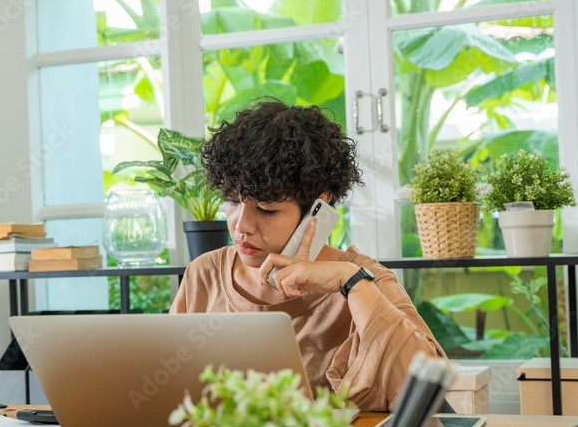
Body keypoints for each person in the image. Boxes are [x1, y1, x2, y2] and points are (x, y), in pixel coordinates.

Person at [170, 99, 446, 411]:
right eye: (232, 201)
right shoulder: (203, 275)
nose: (242, 226)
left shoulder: (366, 280)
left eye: (266, 209)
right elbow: (165, 389)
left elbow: (426, 393)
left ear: (318, 207)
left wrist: (350, 282)